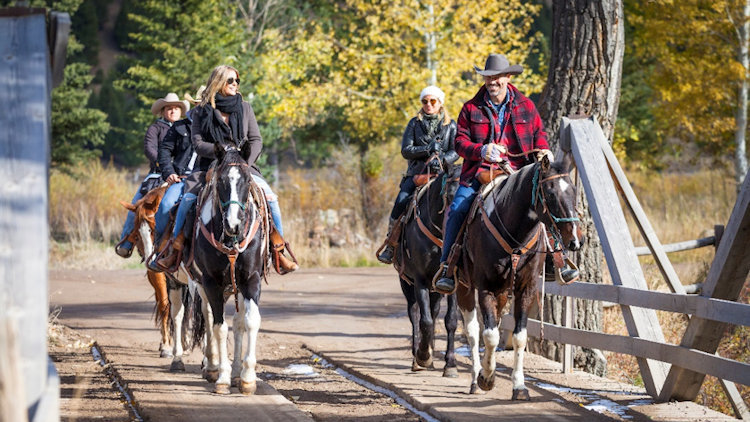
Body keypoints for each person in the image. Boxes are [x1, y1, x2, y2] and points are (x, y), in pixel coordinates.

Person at [432, 53, 579, 294]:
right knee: (457, 208)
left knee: (546, 204)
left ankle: (557, 263)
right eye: (489, 77)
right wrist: (482, 150)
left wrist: (543, 150)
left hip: (520, 173)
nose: (493, 82)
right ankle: (448, 267)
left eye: (498, 77)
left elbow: (539, 134)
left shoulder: (526, 106)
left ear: (508, 77)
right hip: (480, 173)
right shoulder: (470, 108)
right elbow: (459, 143)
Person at [153, 65, 298, 274]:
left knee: (271, 199)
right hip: (210, 167)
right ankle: (174, 250)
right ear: (219, 82)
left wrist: (244, 162)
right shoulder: (203, 111)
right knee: (186, 201)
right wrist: (222, 152)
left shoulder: (245, 108)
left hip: (243, 167)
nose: (235, 84)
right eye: (231, 81)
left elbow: (256, 139)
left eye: (237, 81)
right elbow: (197, 142)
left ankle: (279, 251)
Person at [376, 85, 458, 264]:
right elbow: (406, 150)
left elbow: (456, 150)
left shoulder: (450, 125)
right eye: (425, 101)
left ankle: (463, 246)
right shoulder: (414, 123)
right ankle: (391, 245)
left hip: (443, 175)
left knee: (461, 202)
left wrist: (443, 160)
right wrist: (427, 149)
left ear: (440, 103)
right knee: (400, 202)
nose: (428, 104)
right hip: (417, 175)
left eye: (432, 101)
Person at [115, 93, 189, 258]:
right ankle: (126, 242)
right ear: (163, 111)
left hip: (180, 175)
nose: (173, 111)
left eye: (176, 108)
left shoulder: (185, 129)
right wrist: (165, 165)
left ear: (180, 111)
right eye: (169, 108)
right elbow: (150, 149)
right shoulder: (155, 128)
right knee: (136, 205)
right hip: (157, 174)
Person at [149, 87, 204, 255]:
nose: (203, 107)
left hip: (205, 178)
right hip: (181, 178)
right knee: (165, 206)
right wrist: (169, 172)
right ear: (195, 105)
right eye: (200, 103)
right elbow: (164, 150)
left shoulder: (216, 127)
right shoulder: (179, 127)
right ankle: (160, 250)